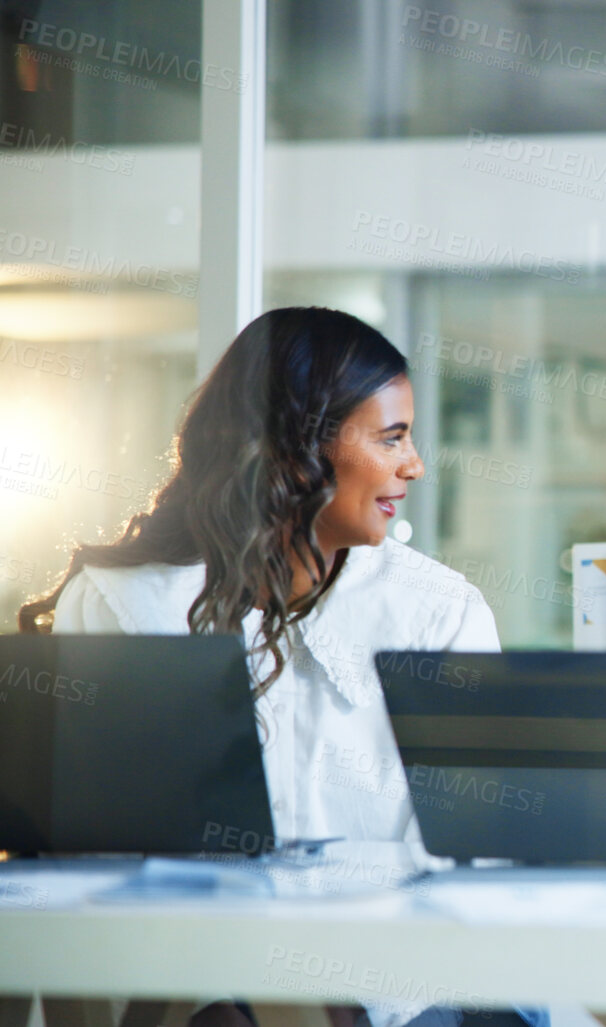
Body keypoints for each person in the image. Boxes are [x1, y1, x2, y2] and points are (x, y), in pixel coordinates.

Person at [20, 309, 499, 1027]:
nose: (414, 464)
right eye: (391, 437)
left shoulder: (438, 613)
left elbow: (473, 871)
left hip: (397, 988)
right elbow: (97, 855)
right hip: (191, 979)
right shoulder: (130, 603)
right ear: (299, 449)